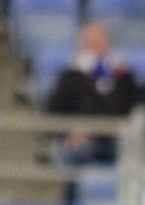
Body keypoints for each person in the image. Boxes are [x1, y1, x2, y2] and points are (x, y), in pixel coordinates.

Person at [45, 21, 137, 165]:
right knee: (77, 151)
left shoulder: (123, 74)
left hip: (116, 138)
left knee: (135, 153)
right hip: (84, 139)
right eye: (91, 41)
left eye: (100, 40)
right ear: (81, 44)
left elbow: (135, 107)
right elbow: (53, 111)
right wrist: (69, 133)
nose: (96, 45)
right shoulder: (70, 75)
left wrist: (126, 130)